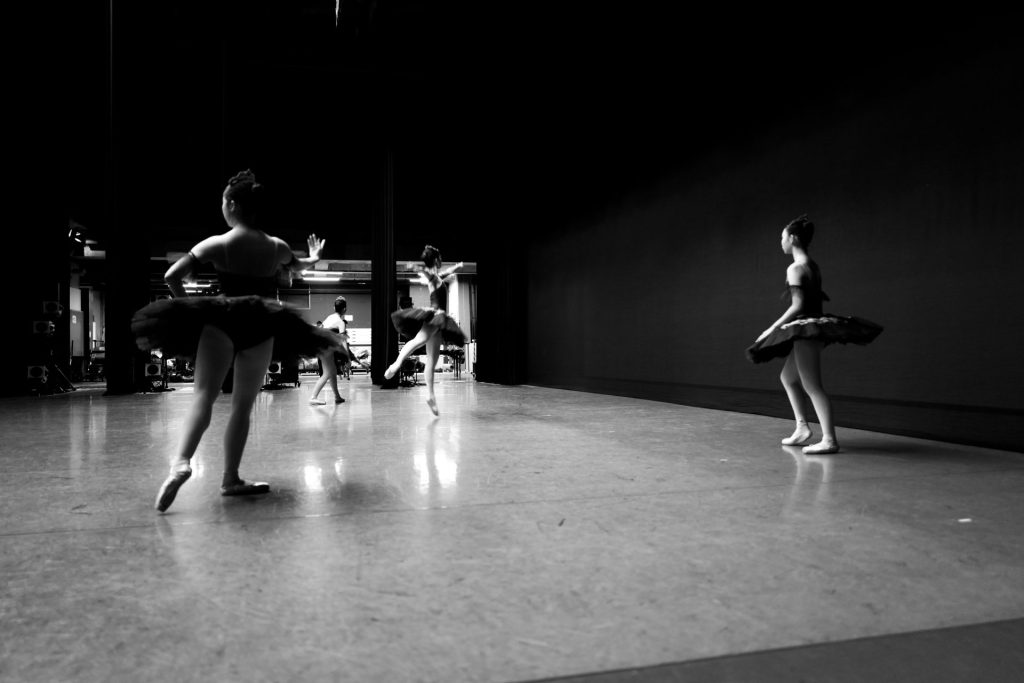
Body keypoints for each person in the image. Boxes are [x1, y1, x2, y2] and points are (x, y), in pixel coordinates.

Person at [132, 170, 342, 512]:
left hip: (221, 321)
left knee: (204, 396)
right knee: (242, 407)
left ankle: (181, 462)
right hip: (261, 323)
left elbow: (172, 276)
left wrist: (192, 310)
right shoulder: (276, 246)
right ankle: (230, 478)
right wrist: (315, 256)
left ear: (231, 204)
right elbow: (300, 266)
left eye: (222, 203)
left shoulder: (217, 243)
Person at [746, 215, 882, 454]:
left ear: (793, 238)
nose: (781, 242)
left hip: (807, 331)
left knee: (812, 385)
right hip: (814, 328)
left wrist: (772, 328)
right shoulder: (812, 265)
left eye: (782, 237)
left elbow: (797, 306)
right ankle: (802, 428)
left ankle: (829, 440)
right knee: (788, 378)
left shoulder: (795, 268)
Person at [384, 245, 467, 415]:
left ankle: (430, 396)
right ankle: (395, 364)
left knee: (432, 359)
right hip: (435, 316)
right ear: (435, 259)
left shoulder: (438, 276)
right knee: (418, 340)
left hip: (440, 320)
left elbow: (445, 272)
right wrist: (417, 268)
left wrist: (457, 267)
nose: (441, 260)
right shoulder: (432, 276)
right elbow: (428, 274)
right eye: (440, 258)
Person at [309, 296, 349, 404]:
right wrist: (347, 356)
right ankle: (313, 397)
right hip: (325, 348)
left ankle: (337, 396)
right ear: (344, 309)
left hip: (321, 346)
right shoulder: (340, 322)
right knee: (327, 373)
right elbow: (343, 341)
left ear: (334, 308)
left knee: (333, 371)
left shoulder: (330, 317)